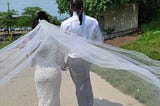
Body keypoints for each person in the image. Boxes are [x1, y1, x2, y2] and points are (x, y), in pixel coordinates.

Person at [60, 0, 104, 106]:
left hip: (74, 58)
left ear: (71, 8)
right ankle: (89, 102)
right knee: (85, 81)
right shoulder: (92, 21)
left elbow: (62, 45)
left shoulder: (65, 24)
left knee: (80, 84)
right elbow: (100, 39)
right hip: (87, 57)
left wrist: (62, 62)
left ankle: (84, 104)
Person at [31, 11, 64, 106]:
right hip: (53, 72)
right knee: (54, 99)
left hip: (39, 74)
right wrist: (63, 65)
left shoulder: (34, 40)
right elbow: (60, 59)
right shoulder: (54, 38)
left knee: (42, 99)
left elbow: (31, 64)